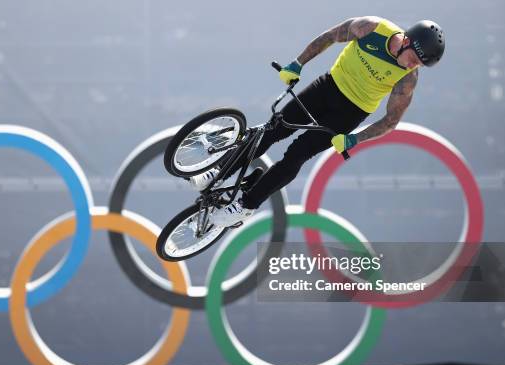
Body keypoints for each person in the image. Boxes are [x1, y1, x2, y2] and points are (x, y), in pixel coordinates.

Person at [188, 17, 445, 227]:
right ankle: (218, 172)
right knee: (273, 130)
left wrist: (355, 138)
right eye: (414, 58)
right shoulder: (373, 29)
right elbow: (330, 37)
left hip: (350, 113)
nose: (413, 66)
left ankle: (245, 206)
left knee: (296, 155)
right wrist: (297, 64)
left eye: (419, 64)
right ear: (407, 40)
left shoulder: (408, 79)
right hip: (327, 87)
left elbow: (391, 121)